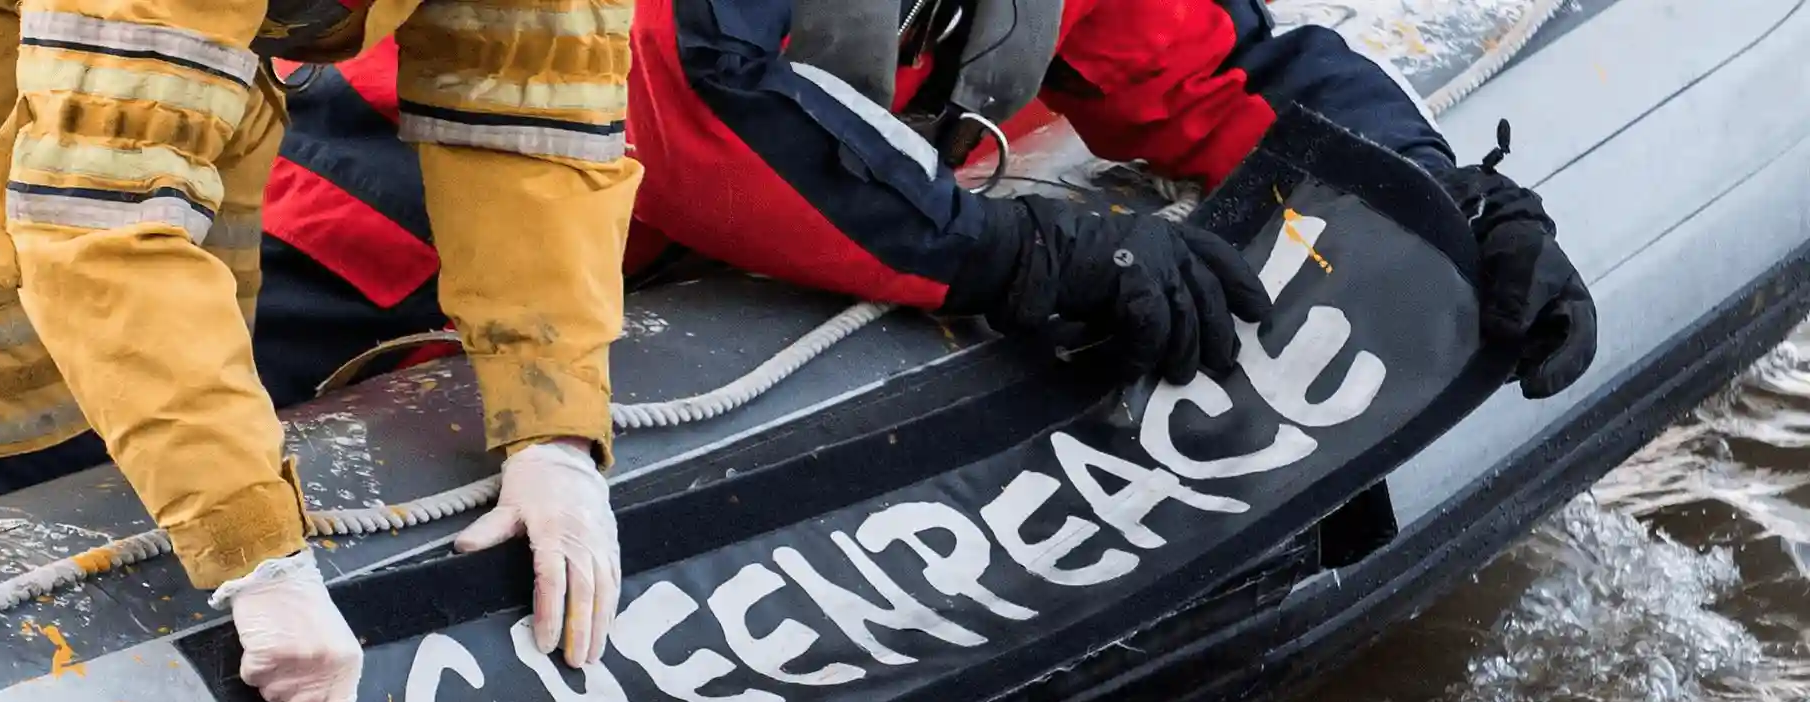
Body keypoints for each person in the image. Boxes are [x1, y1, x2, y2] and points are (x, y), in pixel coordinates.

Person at [0, 0, 640, 702]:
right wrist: (254, 549)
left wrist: (553, 415)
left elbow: (531, 100)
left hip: (172, 120)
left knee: (160, 450)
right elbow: (100, 215)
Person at [253, 0, 1595, 410]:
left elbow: (1216, 71)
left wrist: (1460, 204)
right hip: (365, 260)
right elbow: (690, 89)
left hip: (647, 285)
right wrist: (1022, 252)